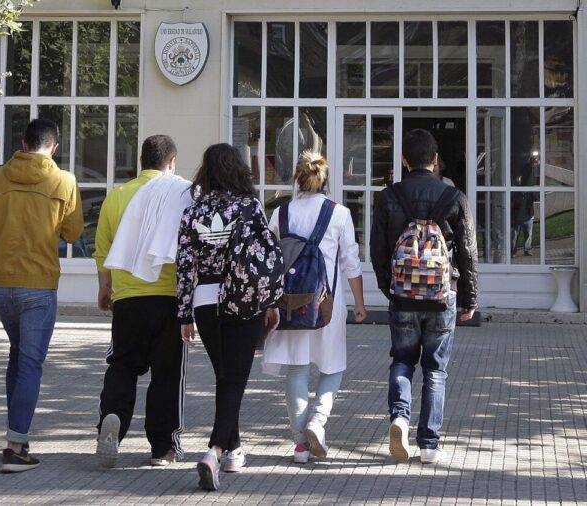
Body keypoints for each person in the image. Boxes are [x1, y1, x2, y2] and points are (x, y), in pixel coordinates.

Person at [0, 119, 84, 473]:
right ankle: (15, 445)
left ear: (23, 143)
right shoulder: (64, 181)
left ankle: (15, 435)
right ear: (53, 148)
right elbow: (72, 233)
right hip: (39, 286)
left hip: (4, 287)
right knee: (29, 364)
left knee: (18, 356)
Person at [370, 129, 478, 464]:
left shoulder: (389, 196)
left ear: (404, 160)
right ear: (435, 160)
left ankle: (399, 418)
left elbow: (377, 250)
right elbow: (468, 252)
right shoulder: (455, 197)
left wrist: (390, 286)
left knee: (402, 359)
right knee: (436, 370)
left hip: (402, 296)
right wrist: (469, 299)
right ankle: (429, 444)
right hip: (441, 295)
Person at [177, 143, 280, 491]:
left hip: (205, 301)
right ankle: (214, 451)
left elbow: (184, 265)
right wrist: (272, 302)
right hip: (243, 300)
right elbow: (265, 258)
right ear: (238, 169)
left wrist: (183, 314)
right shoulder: (250, 206)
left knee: (225, 375)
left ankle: (234, 449)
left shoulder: (194, 211)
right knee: (233, 379)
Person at [93, 134, 191, 469]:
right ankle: (163, 447)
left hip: (129, 298)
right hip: (170, 298)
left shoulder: (117, 196)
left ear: (141, 162)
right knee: (167, 374)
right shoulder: (183, 193)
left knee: (122, 365)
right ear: (171, 162)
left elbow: (103, 250)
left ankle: (112, 420)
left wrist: (105, 288)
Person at [261, 151, 366, 464]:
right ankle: (317, 421)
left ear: (297, 178)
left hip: (289, 305)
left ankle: (300, 446)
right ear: (325, 179)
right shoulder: (339, 214)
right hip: (326, 307)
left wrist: (268, 304)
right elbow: (350, 262)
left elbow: (269, 262)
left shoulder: (280, 214)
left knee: (296, 368)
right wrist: (360, 304)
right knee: (332, 366)